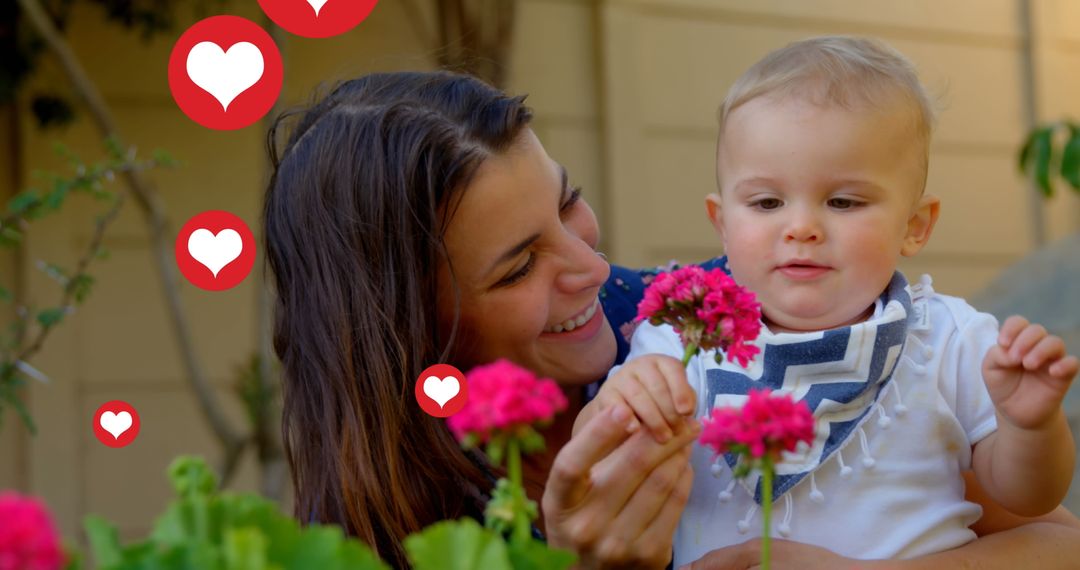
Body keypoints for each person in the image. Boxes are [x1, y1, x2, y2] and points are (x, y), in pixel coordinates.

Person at [263, 69, 1080, 569]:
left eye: (569, 203)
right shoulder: (406, 510)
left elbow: (1053, 540)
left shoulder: (713, 317)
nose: (591, 267)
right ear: (417, 331)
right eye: (518, 265)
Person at [577, 36, 1079, 567]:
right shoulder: (682, 336)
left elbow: (1030, 498)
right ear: (722, 223)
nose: (801, 228)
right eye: (767, 201)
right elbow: (599, 458)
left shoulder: (950, 339)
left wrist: (1029, 426)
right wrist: (624, 402)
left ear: (914, 226)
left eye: (842, 201)